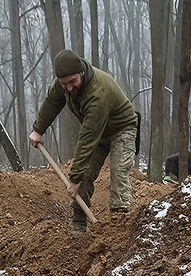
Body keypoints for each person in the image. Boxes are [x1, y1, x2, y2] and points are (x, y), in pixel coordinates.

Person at [29, 49, 139, 232]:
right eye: (64, 84)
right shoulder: (63, 84)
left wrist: (74, 178)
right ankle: (79, 222)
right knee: (85, 174)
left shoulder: (97, 94)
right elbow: (52, 103)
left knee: (118, 172)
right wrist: (38, 130)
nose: (69, 88)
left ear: (81, 72)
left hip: (122, 128)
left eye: (73, 82)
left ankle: (120, 225)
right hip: (99, 132)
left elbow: (88, 138)